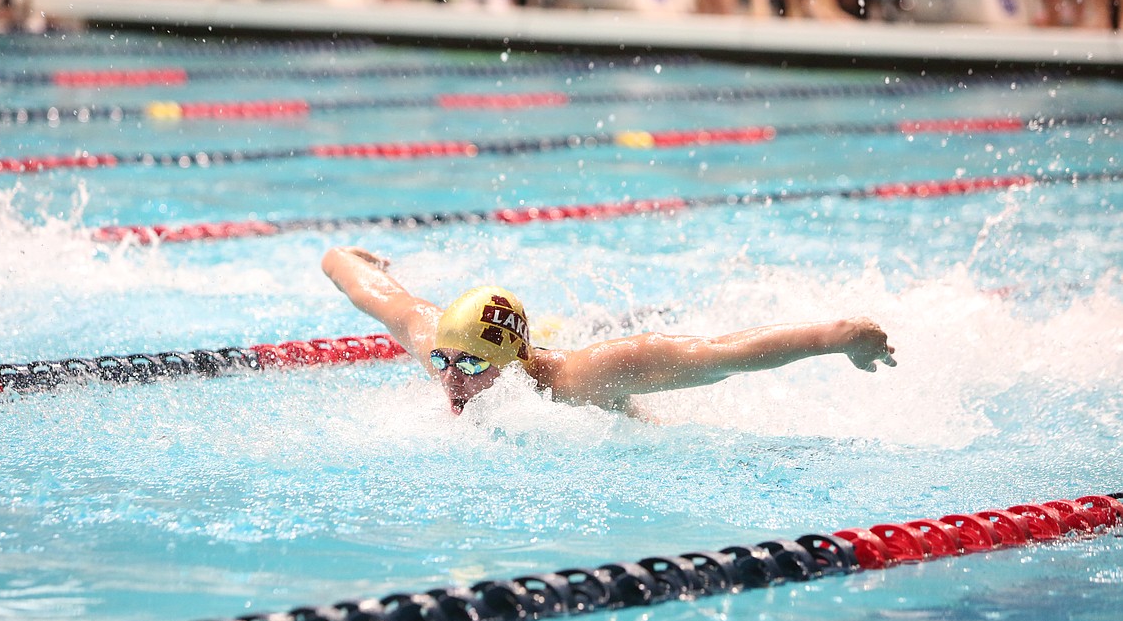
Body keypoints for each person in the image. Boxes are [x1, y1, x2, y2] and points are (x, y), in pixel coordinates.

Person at [322, 246, 896, 416]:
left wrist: (837, 336)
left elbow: (721, 353)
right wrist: (342, 256)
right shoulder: (441, 347)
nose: (450, 377)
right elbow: (379, 296)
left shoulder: (582, 379)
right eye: (446, 360)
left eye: (472, 365)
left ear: (513, 362)